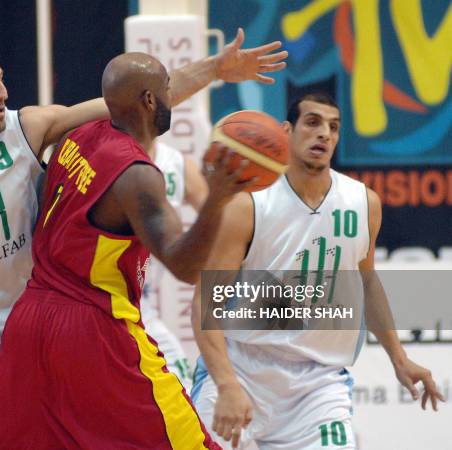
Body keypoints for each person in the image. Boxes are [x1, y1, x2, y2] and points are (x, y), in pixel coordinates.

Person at [0, 32, 287, 449]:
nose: (2, 93)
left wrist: (214, 68)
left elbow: (126, 98)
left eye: (2, 79)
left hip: (12, 338)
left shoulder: (28, 128)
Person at [0, 44, 287, 449]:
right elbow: (184, 266)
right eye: (164, 89)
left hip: (31, 321)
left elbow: (151, 89)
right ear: (148, 101)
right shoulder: (137, 175)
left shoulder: (82, 132)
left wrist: (215, 67)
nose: (170, 93)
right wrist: (217, 198)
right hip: (92, 328)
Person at [190, 93, 445, 450]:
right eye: (312, 123)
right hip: (242, 370)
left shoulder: (363, 202)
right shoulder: (248, 204)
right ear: (286, 131)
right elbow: (206, 303)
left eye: (333, 127)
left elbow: (367, 282)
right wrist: (227, 384)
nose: (324, 134)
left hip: (318, 386)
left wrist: (399, 358)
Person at [141, 138, 208, 389]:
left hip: (140, 305)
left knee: (182, 387)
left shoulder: (177, 166)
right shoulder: (106, 158)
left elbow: (220, 220)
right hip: (99, 301)